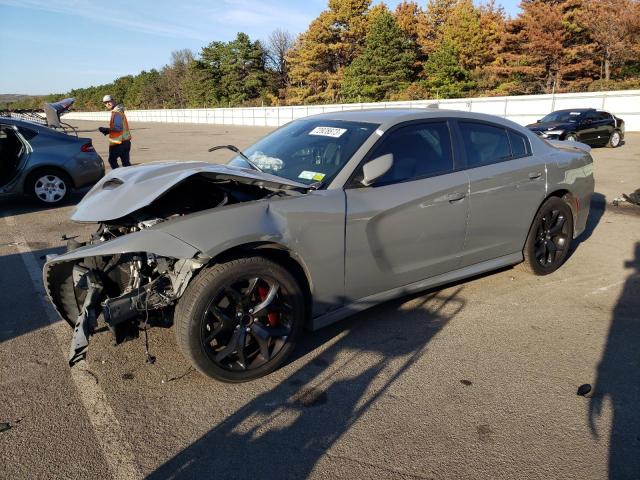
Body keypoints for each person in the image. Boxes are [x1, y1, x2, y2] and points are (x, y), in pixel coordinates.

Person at [98, 94, 132, 169]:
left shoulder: (116, 112)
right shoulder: (119, 110)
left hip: (118, 142)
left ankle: (118, 176)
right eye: (105, 103)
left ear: (113, 100)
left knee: (112, 160)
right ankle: (128, 178)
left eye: (108, 102)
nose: (107, 104)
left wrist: (106, 130)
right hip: (126, 141)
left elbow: (117, 128)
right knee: (126, 163)